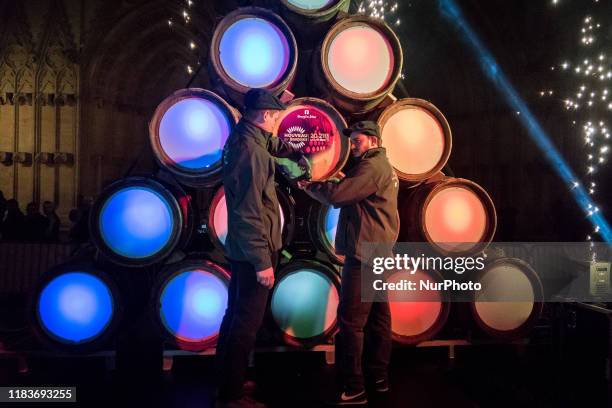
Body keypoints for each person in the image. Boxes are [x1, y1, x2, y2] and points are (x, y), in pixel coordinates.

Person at [215, 88, 310, 408]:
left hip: (240, 248)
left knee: (234, 316)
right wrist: (262, 262)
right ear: (265, 117)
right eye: (275, 116)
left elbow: (271, 144)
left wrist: (295, 157)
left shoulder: (243, 137)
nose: (277, 121)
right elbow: (249, 211)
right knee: (246, 324)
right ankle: (231, 397)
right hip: (253, 250)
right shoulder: (251, 153)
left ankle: (227, 379)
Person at [298, 121, 399, 406]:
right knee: (379, 320)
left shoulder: (372, 167)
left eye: (358, 142)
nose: (353, 146)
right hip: (379, 252)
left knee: (351, 321)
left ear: (374, 140)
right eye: (352, 142)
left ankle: (354, 387)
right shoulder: (381, 166)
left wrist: (310, 186)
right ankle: (379, 378)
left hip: (366, 256)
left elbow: (339, 196)